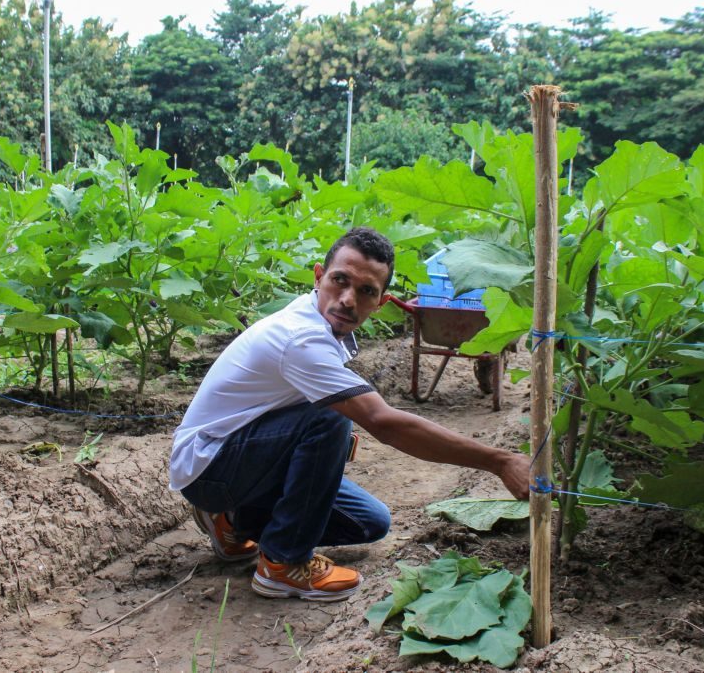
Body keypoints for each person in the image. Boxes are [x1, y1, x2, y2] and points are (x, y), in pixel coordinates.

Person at [169, 227, 531, 602]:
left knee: (369, 522)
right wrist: (500, 461)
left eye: (366, 291)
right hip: (210, 467)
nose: (347, 299)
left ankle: (232, 522)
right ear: (318, 276)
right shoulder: (302, 339)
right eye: (339, 280)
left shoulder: (321, 324)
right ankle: (282, 564)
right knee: (329, 418)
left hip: (233, 455)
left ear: (381, 302)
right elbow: (384, 423)